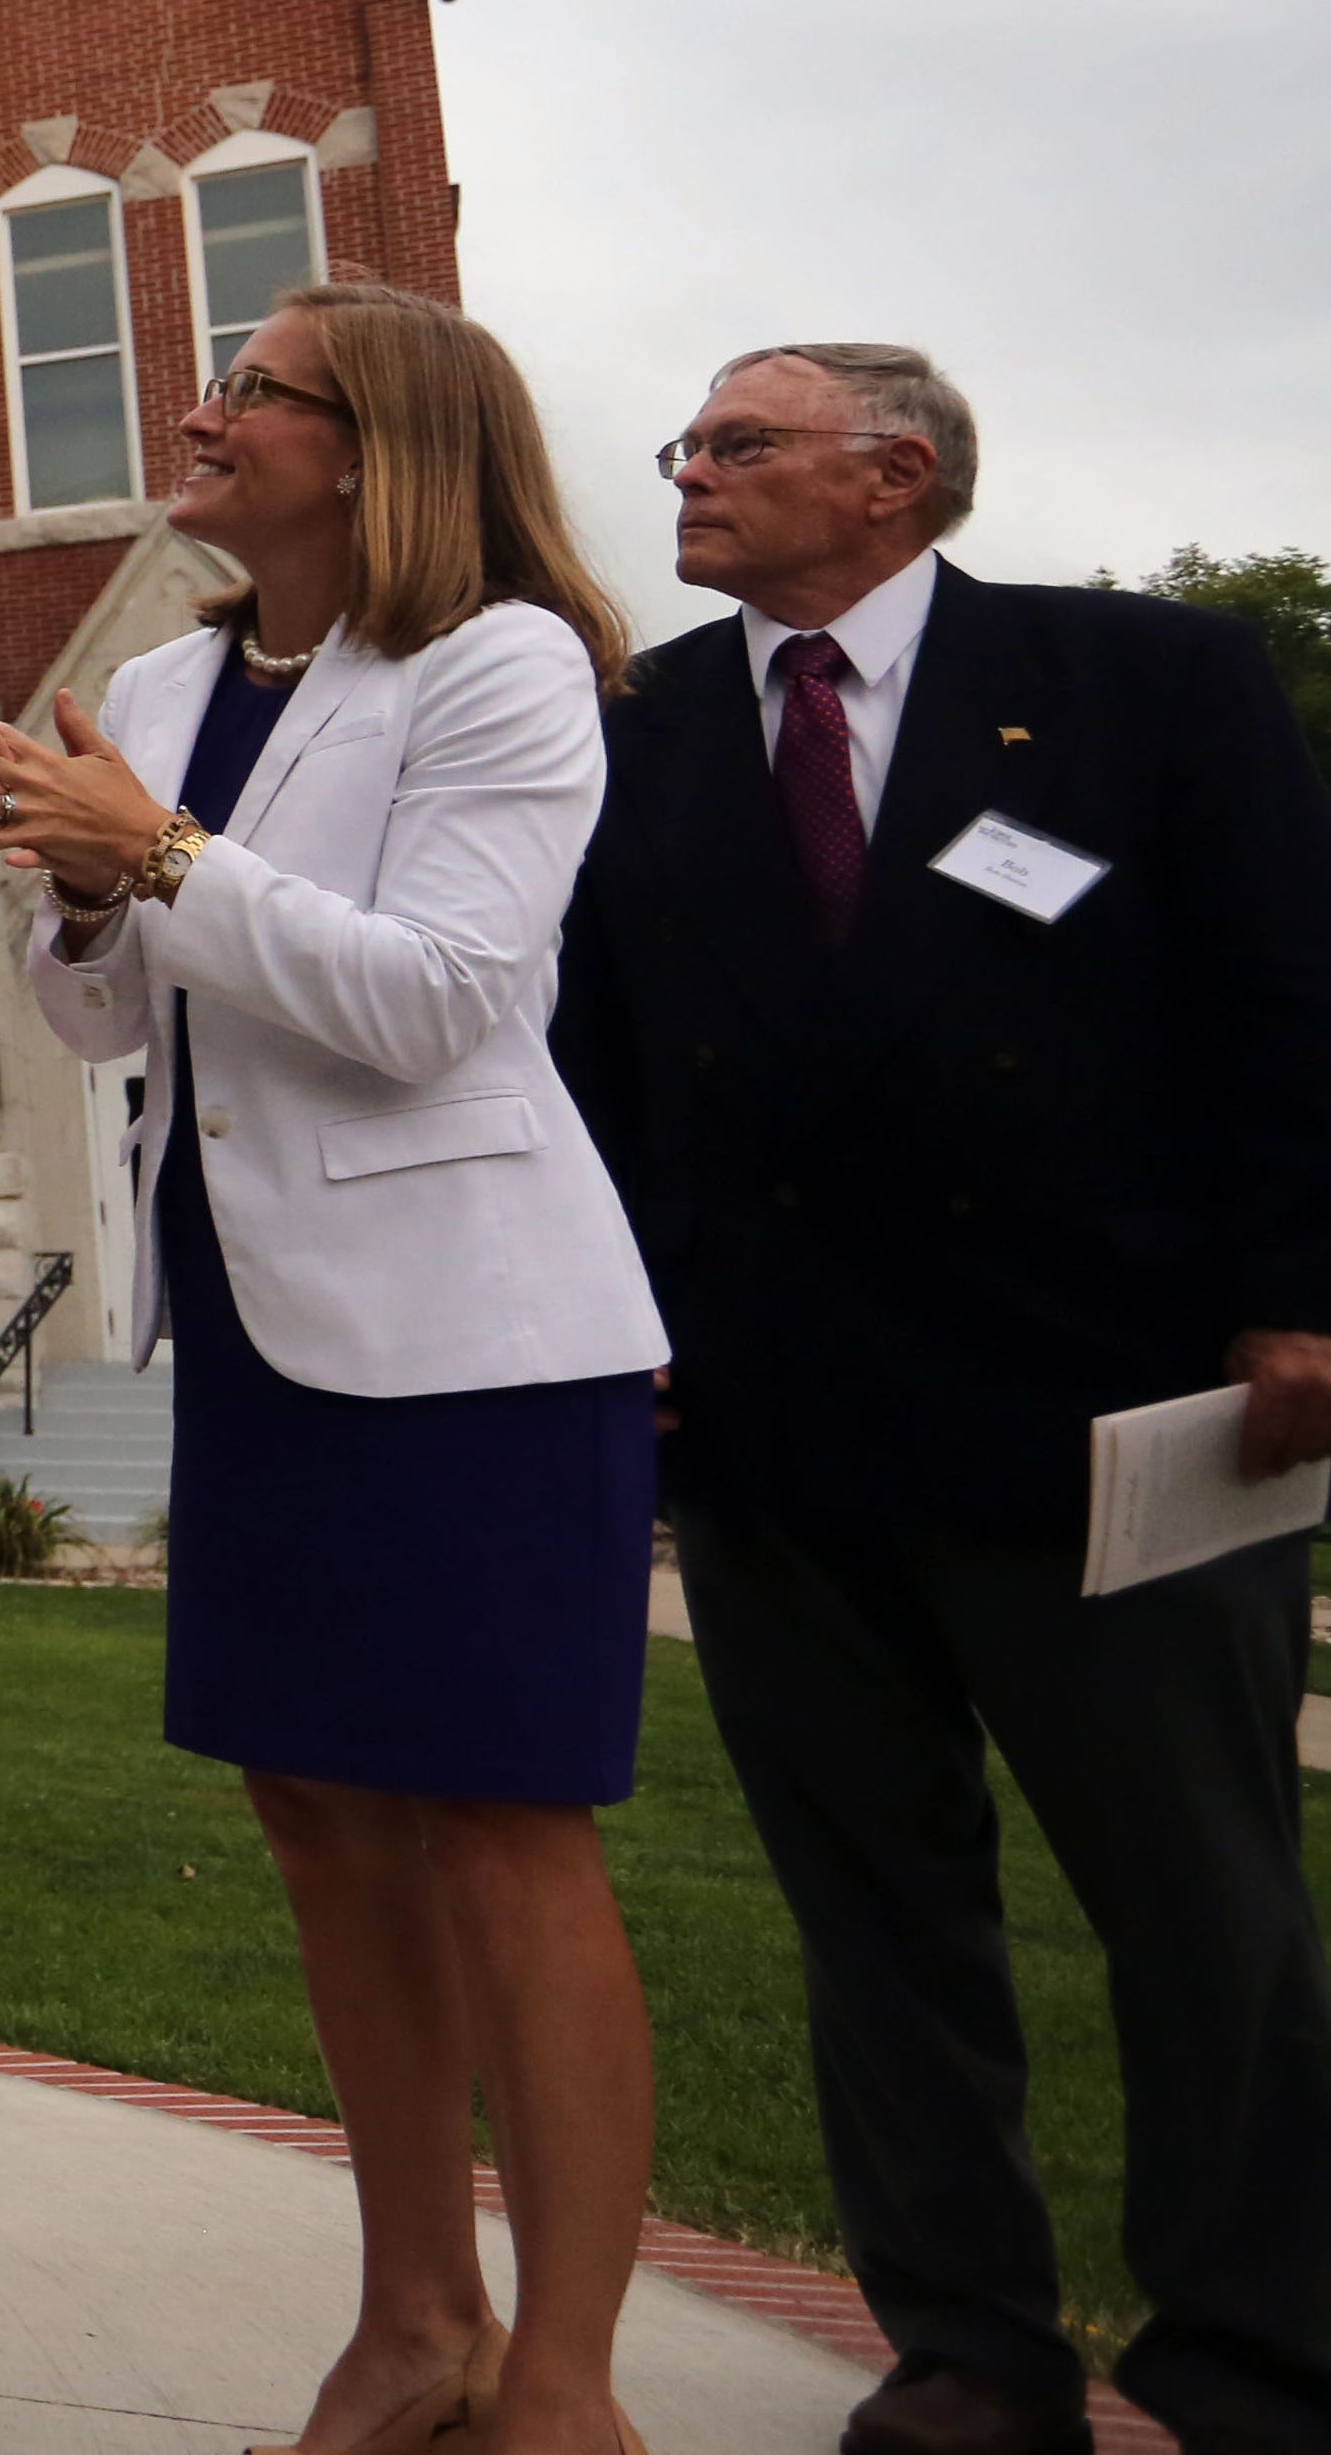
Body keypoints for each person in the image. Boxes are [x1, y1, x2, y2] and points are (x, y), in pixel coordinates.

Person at [556, 343, 1331, 2455]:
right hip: (776, 1425)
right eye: (685, 450)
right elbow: (597, 1060)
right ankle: (971, 2347)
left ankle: (1258, 2353)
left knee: (1203, 1908)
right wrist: (620, 1331)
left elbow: (1286, 991)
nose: (686, 478)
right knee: (880, 1921)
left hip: (1110, 1416)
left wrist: (1302, 1296)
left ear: (895, 476)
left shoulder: (1143, 683)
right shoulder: (645, 732)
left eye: (735, 445)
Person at [0, 282, 661, 2455]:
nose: (202, 403)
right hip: (245, 1317)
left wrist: (145, 850)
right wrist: (76, 902)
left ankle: (575, 2389)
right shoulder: (158, 675)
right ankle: (417, 2321)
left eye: (251, 384)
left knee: (511, 1836)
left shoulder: (506, 661)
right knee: (321, 1817)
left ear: (377, 444)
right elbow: (101, 1025)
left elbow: (435, 998)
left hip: (474, 1338)